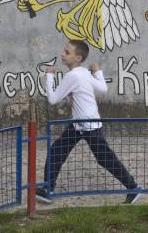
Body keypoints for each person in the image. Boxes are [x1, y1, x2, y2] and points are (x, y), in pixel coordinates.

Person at [36, 40, 141, 204]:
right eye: (64, 51)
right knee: (57, 151)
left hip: (88, 125)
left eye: (67, 52)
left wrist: (49, 76)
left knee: (105, 158)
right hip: (80, 124)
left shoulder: (73, 75)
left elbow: (52, 99)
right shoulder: (84, 73)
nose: (62, 54)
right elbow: (103, 88)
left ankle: (133, 187)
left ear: (78, 58)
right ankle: (48, 189)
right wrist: (98, 72)